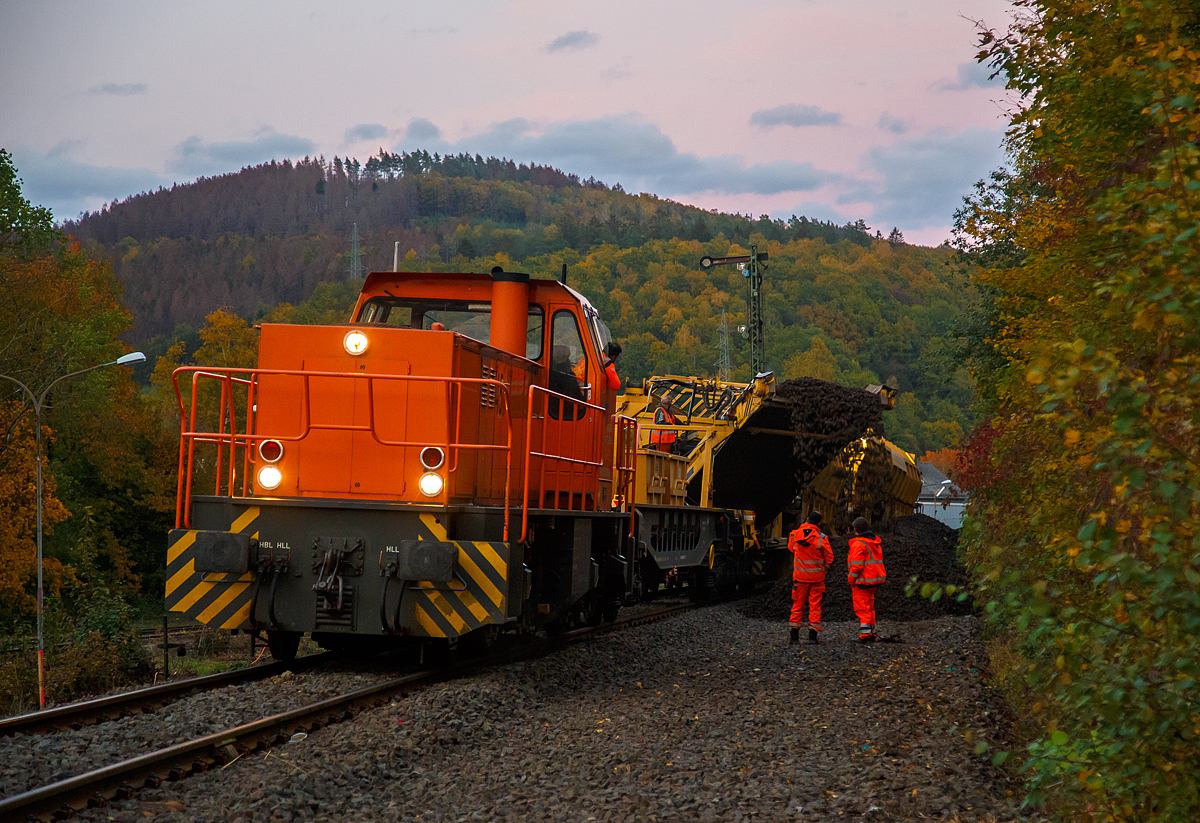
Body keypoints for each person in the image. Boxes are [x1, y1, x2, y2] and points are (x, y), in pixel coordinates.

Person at [788, 510, 833, 645]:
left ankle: (794, 636)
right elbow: (829, 558)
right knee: (815, 606)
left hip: (800, 578)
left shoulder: (794, 535)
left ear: (807, 519)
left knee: (797, 605)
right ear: (819, 523)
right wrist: (823, 569)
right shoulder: (822, 538)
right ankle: (812, 637)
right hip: (817, 579)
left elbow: (791, 548)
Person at [847, 516, 886, 643]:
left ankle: (865, 634)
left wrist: (851, 579)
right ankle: (870, 631)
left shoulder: (858, 544)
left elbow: (857, 566)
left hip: (862, 581)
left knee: (862, 608)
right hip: (872, 580)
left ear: (855, 529)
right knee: (869, 606)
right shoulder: (874, 543)